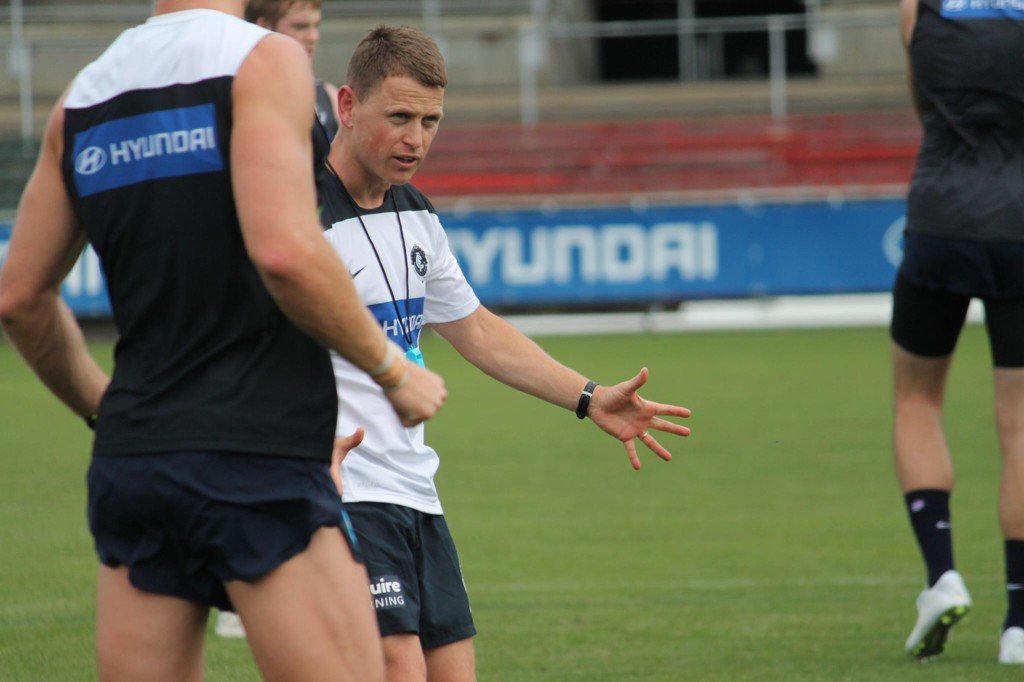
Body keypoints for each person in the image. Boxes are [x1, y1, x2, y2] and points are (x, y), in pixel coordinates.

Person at [0, 2, 448, 680]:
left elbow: (20, 299)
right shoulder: (265, 59)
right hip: (258, 454)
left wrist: (103, 408)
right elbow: (286, 252)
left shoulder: (87, 90)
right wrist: (391, 367)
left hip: (136, 464)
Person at [256, 25, 690, 680]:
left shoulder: (418, 214)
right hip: (342, 492)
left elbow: (478, 330)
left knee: (454, 671)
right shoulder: (298, 219)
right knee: (397, 666)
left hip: (416, 490)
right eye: (399, 117)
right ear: (346, 106)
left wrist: (589, 396)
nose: (416, 139)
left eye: (431, 120)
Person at [894, 0, 1024, 664]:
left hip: (940, 217)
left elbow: (926, 106)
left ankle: (942, 578)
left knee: (917, 401)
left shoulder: (919, 6)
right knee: (1021, 423)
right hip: (1021, 221)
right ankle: (1020, 620)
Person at [245, 0, 339, 141]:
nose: (313, 37)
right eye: (300, 27)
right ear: (264, 27)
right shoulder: (243, 96)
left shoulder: (328, 96)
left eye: (316, 26)